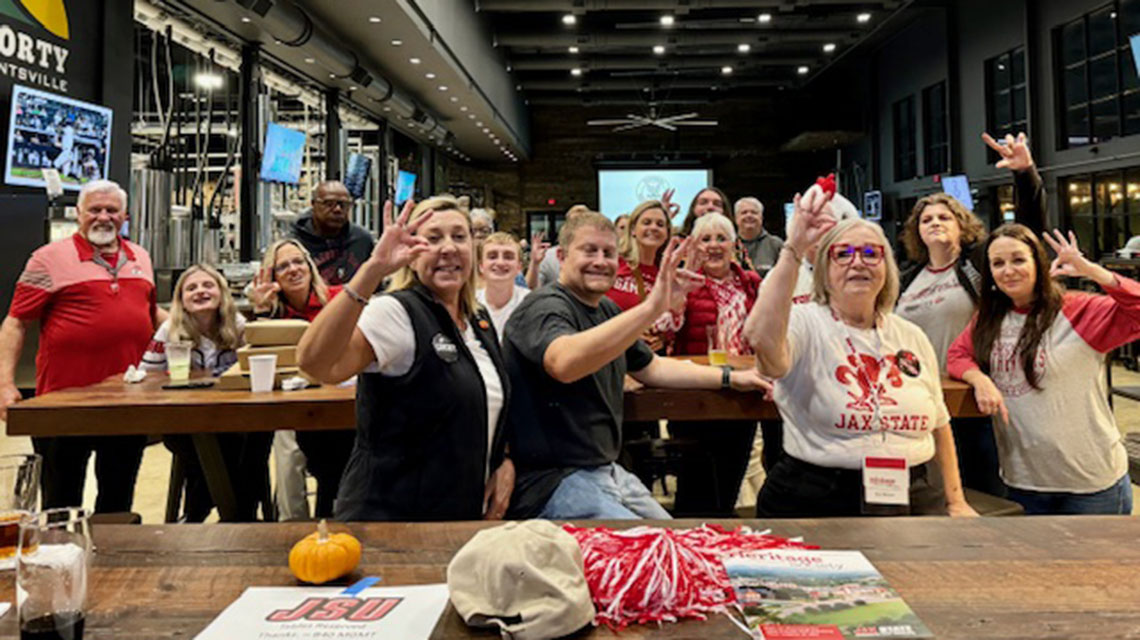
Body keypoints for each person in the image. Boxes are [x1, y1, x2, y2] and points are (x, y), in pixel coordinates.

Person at [503, 211, 771, 520]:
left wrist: (729, 378)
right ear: (562, 257)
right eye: (589, 251)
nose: (600, 261)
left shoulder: (604, 308)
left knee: (678, 536)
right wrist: (653, 307)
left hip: (605, 470)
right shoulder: (544, 306)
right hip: (553, 482)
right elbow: (564, 363)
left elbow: (652, 367)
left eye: (608, 253)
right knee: (657, 542)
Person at [742, 180, 975, 518]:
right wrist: (793, 248)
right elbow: (761, 340)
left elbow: (939, 423)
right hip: (820, 496)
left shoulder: (910, 334)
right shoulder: (805, 322)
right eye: (843, 254)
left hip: (916, 492)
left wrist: (956, 501)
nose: (858, 263)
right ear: (824, 270)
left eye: (870, 253)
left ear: (886, 268)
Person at [298, 196, 514, 521]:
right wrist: (372, 269)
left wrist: (504, 459)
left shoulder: (478, 319)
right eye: (433, 238)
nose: (448, 248)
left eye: (459, 237)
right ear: (411, 256)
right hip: (393, 524)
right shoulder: (395, 313)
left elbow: (491, 405)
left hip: (456, 521)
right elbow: (317, 364)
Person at [897, 132, 1048, 498]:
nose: (935, 223)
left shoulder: (978, 264)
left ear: (961, 225)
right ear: (917, 231)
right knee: (930, 494)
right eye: (926, 219)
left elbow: (1028, 233)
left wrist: (1025, 174)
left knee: (982, 492)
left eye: (944, 217)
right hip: (918, 399)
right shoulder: (906, 278)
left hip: (971, 398)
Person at [948, 226, 1138, 515]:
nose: (1008, 271)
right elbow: (958, 355)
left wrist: (1093, 272)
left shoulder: (1077, 310)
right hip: (1025, 481)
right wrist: (979, 379)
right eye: (998, 263)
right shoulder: (989, 320)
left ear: (1038, 262)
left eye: (1018, 260)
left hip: (1091, 483)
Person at [0, 180, 162, 513]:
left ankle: (112, 550)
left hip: (126, 402)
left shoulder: (141, 257)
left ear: (125, 217)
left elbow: (151, 314)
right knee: (61, 504)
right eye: (95, 210)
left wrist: (205, 326)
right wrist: (4, 384)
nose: (103, 217)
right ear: (79, 214)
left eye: (112, 210)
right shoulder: (47, 259)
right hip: (62, 403)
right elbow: (15, 322)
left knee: (118, 502)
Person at [140, 265, 271, 522]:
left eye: (208, 285)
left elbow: (258, 364)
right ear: (181, 300)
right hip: (183, 421)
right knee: (220, 448)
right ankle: (239, 517)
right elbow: (147, 376)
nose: (200, 291)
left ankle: (197, 516)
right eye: (191, 288)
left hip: (233, 418)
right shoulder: (169, 330)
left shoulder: (238, 326)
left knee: (258, 436)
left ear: (222, 293)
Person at [670, 213, 762, 516]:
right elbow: (665, 328)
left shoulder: (750, 282)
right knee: (695, 478)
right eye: (705, 239)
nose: (713, 245)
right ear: (694, 245)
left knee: (731, 474)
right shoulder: (684, 281)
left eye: (721, 238)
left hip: (743, 389)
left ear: (733, 244)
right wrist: (678, 295)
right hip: (697, 389)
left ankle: (722, 529)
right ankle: (691, 533)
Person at [250, 239, 348, 520]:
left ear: (310, 266)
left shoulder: (338, 298)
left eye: (298, 262)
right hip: (294, 402)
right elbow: (261, 360)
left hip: (339, 398)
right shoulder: (273, 311)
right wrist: (262, 313)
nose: (293, 269)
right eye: (283, 266)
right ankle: (293, 522)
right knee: (286, 438)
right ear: (273, 277)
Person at [606, 196, 683, 353]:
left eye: (660, 224)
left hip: (650, 360)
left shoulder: (667, 275)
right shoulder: (613, 264)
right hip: (612, 354)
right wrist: (629, 334)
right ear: (633, 230)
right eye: (647, 222)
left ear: (667, 234)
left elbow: (672, 322)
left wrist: (663, 338)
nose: (653, 228)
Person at [292, 181, 375, 286]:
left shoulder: (362, 241)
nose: (337, 209)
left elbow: (375, 284)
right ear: (313, 204)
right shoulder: (294, 243)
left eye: (344, 205)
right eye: (329, 204)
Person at [476, 232, 530, 342]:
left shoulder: (531, 303)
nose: (500, 262)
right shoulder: (470, 304)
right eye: (492, 257)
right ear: (481, 266)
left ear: (519, 267)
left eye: (508, 257)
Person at [531, 204, 591, 289]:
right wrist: (534, 264)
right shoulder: (548, 256)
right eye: (573, 223)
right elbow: (532, 289)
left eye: (582, 223)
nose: (578, 228)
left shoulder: (597, 258)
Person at [735, 197, 784, 275]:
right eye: (744, 212)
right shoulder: (729, 245)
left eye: (754, 212)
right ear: (736, 218)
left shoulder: (776, 244)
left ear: (761, 218)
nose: (749, 215)